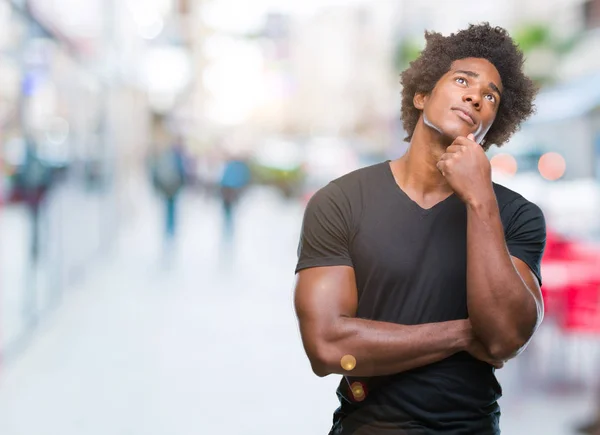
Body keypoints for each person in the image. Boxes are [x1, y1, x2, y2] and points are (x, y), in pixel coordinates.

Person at [294, 23, 545, 434]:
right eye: (462, 80)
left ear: (494, 125)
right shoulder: (340, 201)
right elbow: (327, 348)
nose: (474, 97)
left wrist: (480, 199)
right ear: (422, 94)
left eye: (490, 96)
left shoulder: (516, 215)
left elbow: (502, 339)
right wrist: (464, 334)